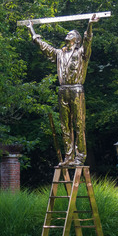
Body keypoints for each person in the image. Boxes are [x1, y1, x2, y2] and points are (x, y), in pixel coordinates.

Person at [27, 14, 99, 166]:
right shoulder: (60, 54)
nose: (68, 34)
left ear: (77, 40)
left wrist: (90, 25)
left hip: (76, 90)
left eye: (71, 33)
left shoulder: (81, 53)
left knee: (79, 124)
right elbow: (45, 48)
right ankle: (69, 157)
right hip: (63, 91)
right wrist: (32, 32)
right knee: (64, 125)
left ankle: (80, 157)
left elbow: (88, 40)